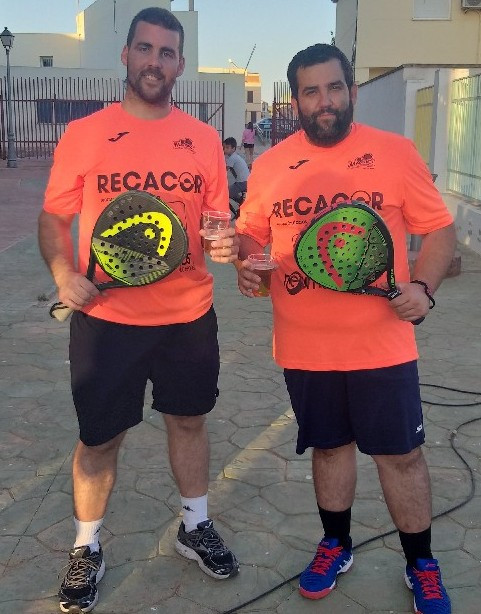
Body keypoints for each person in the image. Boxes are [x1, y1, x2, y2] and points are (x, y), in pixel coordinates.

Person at [235, 43, 455, 614]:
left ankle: (421, 563)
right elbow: (251, 235)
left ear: (352, 92)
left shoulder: (395, 152)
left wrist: (423, 288)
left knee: (401, 457)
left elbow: (439, 230)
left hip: (382, 345)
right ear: (296, 101)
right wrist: (247, 263)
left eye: (334, 88)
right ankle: (336, 543)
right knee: (330, 449)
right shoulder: (270, 165)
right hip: (304, 347)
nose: (325, 101)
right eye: (311, 91)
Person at [38, 7, 239, 613]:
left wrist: (224, 242)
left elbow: (216, 222)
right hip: (107, 321)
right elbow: (54, 218)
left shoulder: (203, 139)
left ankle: (194, 525)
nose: (155, 61)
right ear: (126, 55)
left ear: (180, 64)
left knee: (189, 422)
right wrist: (64, 274)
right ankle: (87, 546)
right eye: (145, 49)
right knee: (99, 439)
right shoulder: (85, 134)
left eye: (167, 52)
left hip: (188, 316)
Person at [223, 136, 250, 211]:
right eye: (224, 147)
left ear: (233, 148)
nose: (225, 149)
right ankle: (241, 202)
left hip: (242, 182)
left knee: (227, 192)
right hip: (246, 180)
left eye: (227, 147)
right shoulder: (235, 156)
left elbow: (224, 170)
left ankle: (242, 202)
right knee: (230, 190)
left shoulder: (232, 158)